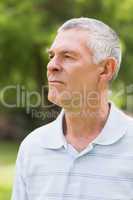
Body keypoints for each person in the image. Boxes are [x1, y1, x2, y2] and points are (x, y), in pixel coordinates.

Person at [11, 17, 133, 200]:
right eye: (52, 56)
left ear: (106, 69)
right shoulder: (32, 147)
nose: (51, 65)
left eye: (67, 56)